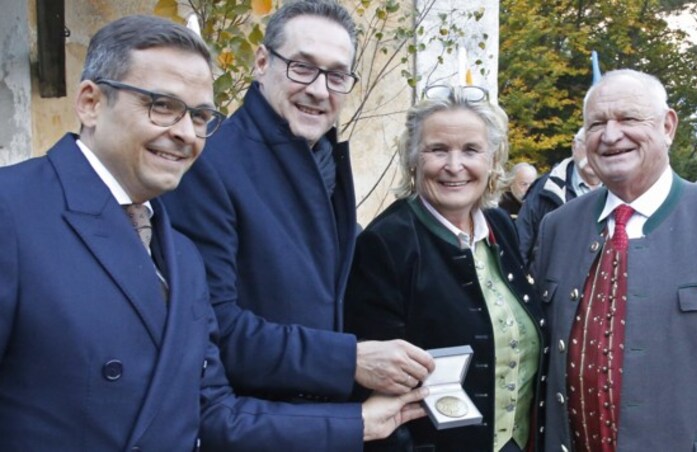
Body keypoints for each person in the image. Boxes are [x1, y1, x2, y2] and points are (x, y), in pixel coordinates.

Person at [0, 15, 428, 450]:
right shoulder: (11, 210)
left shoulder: (177, 253)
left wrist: (359, 422)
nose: (185, 133)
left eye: (201, 115)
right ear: (91, 102)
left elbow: (212, 411)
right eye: (161, 105)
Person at [163, 0, 435, 407]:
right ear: (261, 62)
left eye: (337, 75)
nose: (319, 89)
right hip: (255, 426)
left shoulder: (320, 161)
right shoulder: (210, 165)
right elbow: (214, 328)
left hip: (322, 424)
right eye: (302, 67)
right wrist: (349, 361)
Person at [534, 69, 697, 451]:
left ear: (668, 125)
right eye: (596, 124)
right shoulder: (558, 227)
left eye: (628, 119)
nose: (610, 136)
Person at [345, 85, 547, 452]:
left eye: (471, 150)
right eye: (438, 149)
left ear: (492, 160)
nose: (455, 166)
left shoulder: (500, 225)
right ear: (413, 158)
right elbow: (376, 393)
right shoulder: (386, 244)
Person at [516, 127, 601, 271]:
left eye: (599, 147)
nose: (592, 154)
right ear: (574, 146)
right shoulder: (545, 189)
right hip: (550, 287)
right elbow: (520, 245)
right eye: (587, 145)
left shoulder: (620, 192)